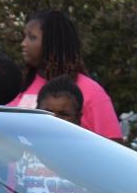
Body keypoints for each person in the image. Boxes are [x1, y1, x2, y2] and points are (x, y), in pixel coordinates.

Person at [11, 10, 122, 139]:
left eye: (32, 37)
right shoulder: (21, 86)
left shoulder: (91, 91)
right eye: (24, 36)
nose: (23, 43)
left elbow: (113, 145)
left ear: (53, 43)